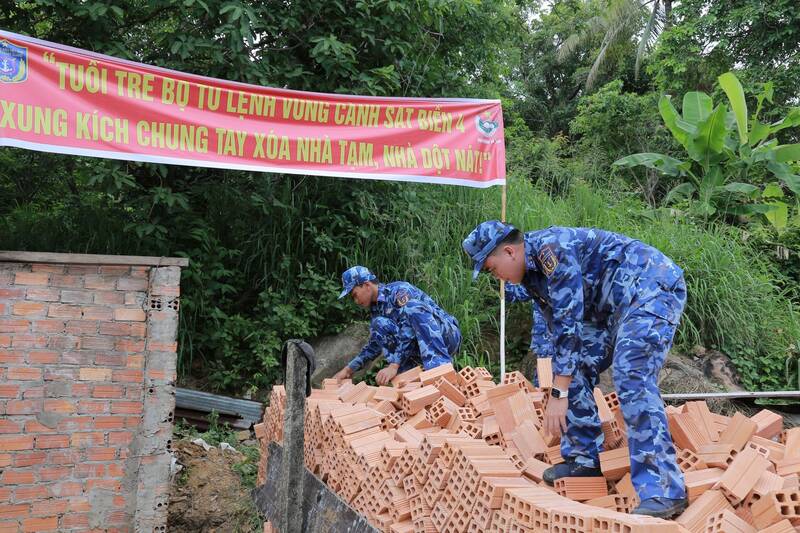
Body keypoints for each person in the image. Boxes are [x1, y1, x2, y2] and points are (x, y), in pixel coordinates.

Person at [463, 220, 688, 519]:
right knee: (574, 366)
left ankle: (664, 490)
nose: (497, 277)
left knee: (631, 373)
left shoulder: (552, 250)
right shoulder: (531, 274)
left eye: (493, 268)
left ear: (509, 251)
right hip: (608, 308)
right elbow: (561, 334)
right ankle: (583, 460)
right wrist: (562, 380)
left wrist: (558, 393)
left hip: (650, 288)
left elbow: (569, 323)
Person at [332, 266, 461, 386]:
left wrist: (393, 366)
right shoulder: (376, 311)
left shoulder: (399, 291)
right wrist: (348, 369)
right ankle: (410, 383)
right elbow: (374, 345)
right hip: (420, 348)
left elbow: (408, 329)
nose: (355, 301)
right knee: (379, 325)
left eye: (355, 294)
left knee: (412, 307)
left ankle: (440, 370)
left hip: (447, 336)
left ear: (366, 285)